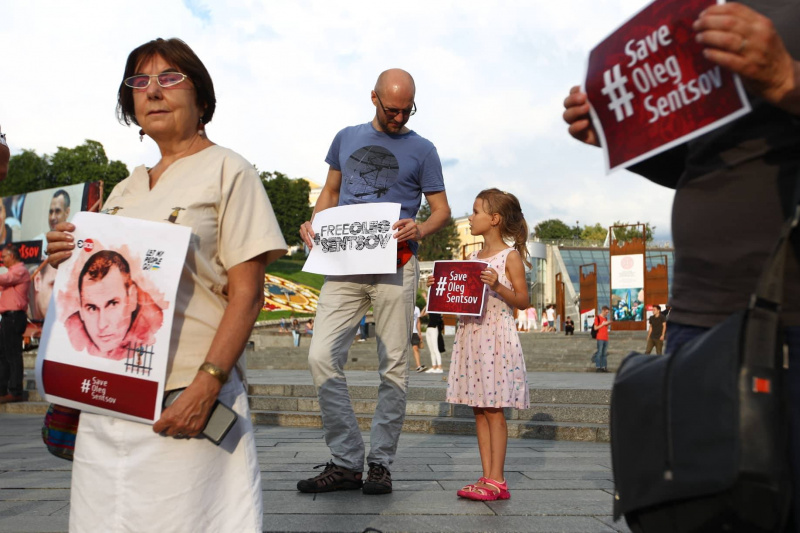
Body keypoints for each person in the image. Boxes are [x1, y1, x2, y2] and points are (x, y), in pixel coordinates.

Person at [564, 3, 800, 519]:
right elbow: (702, 161)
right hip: (696, 317)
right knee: (701, 509)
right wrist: (620, 136)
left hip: (785, 320)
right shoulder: (707, 12)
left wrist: (787, 79)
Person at [45, 38, 287, 532]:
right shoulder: (123, 189)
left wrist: (206, 385)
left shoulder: (229, 171)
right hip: (107, 400)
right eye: (139, 82)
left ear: (201, 98)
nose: (152, 91)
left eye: (169, 78)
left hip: (184, 401)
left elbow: (247, 293)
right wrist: (64, 257)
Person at [297, 68, 450, 495]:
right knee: (320, 356)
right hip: (343, 262)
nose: (399, 117)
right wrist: (314, 224)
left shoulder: (423, 149)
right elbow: (330, 191)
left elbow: (440, 209)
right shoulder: (345, 137)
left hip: (396, 265)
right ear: (374, 99)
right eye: (392, 109)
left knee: (395, 366)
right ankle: (346, 459)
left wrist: (419, 228)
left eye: (407, 110)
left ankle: (379, 462)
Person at [436, 188, 530, 501]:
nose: (471, 217)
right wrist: (445, 292)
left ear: (494, 219)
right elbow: (464, 300)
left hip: (496, 338)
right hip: (472, 336)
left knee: (493, 409)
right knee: (478, 408)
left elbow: (523, 300)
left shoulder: (510, 256)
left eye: (476, 212)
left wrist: (498, 285)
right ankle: (487, 475)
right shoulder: (473, 258)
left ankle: (498, 479)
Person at [64, 250, 163, 360]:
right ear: (80, 308)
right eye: (92, 308)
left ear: (132, 299)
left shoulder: (157, 332)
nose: (102, 325)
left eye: (112, 304)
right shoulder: (68, 332)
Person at [0, 244, 31, 404]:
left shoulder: (20, 270)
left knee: (12, 355)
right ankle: (3, 390)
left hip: (14, 316)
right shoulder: (12, 272)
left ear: (12, 256)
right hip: (7, 317)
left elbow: (5, 279)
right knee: (3, 355)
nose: (3, 259)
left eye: (4, 256)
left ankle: (15, 390)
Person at [421, 306, 444, 373]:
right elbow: (421, 315)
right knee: (431, 349)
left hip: (434, 328)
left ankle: (440, 367)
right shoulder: (430, 310)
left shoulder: (438, 310)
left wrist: (426, 300)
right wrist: (425, 306)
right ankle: (434, 366)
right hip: (429, 329)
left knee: (435, 348)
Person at [591, 306, 611, 373]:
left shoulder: (605, 318)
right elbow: (595, 328)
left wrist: (607, 323)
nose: (607, 313)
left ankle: (604, 367)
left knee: (604, 353)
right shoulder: (597, 318)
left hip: (606, 337)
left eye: (608, 312)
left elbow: (605, 327)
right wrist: (603, 324)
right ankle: (598, 367)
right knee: (599, 352)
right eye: (606, 312)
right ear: (603, 310)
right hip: (600, 338)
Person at [411, 304, 426, 372]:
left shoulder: (416, 309)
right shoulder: (403, 306)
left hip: (414, 331)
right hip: (404, 331)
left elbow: (418, 321)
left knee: (415, 348)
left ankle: (418, 366)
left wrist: (419, 333)